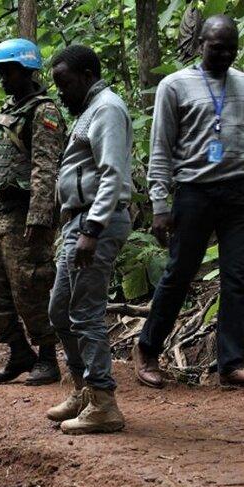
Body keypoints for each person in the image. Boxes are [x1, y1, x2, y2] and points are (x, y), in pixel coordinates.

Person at [135, 14, 244, 389]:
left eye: (232, 48)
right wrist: (159, 205)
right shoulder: (174, 85)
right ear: (200, 45)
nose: (225, 55)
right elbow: (160, 148)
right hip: (194, 192)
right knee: (180, 273)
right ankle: (148, 349)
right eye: (217, 48)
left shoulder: (242, 84)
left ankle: (231, 362)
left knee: (237, 277)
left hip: (237, 194)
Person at [48, 45, 133, 434]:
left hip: (95, 224)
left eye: (64, 83)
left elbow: (112, 172)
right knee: (59, 310)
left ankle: (103, 401)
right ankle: (84, 389)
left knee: (85, 312)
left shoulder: (107, 109)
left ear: (86, 75)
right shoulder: (89, 110)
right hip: (78, 222)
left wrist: (92, 229)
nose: (60, 91)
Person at [0, 38, 66, 386]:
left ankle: (47, 357)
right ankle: (19, 351)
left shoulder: (43, 111)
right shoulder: (8, 109)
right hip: (2, 211)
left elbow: (46, 167)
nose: (2, 78)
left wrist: (40, 217)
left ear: (28, 71)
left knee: (30, 286)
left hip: (27, 212)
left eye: (8, 72)